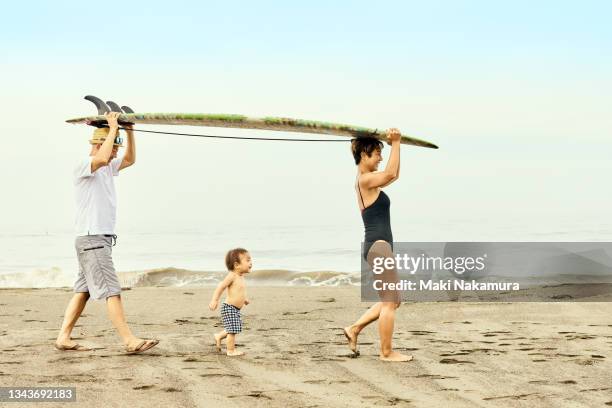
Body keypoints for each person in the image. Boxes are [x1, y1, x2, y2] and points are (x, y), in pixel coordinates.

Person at [55, 112, 159, 354]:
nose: (115, 153)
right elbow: (101, 159)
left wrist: (129, 131)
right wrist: (112, 128)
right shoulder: (84, 164)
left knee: (83, 291)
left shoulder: (109, 166)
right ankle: (129, 340)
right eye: (112, 147)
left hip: (95, 239)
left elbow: (130, 159)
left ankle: (63, 337)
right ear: (99, 144)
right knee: (112, 290)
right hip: (92, 238)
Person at [343, 129, 413, 362]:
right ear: (364, 155)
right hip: (378, 246)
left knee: (393, 300)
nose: (380, 158)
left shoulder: (368, 182)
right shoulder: (364, 180)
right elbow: (391, 173)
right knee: (390, 302)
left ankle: (354, 328)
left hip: (379, 247)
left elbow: (394, 174)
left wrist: (396, 146)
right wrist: (396, 143)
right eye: (376, 154)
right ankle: (386, 352)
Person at [209, 248, 251, 356]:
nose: (251, 263)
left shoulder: (241, 276)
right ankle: (230, 350)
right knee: (232, 330)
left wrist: (244, 299)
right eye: (248, 260)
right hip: (229, 307)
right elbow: (221, 287)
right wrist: (215, 300)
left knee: (233, 327)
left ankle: (218, 336)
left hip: (235, 309)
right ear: (237, 265)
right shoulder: (232, 276)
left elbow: (239, 290)